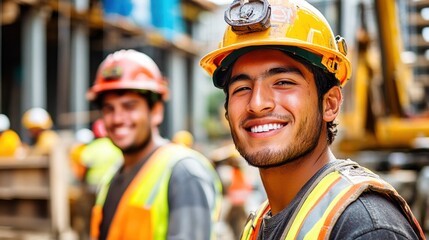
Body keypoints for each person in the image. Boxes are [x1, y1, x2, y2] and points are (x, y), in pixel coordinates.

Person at [199, 0, 425, 239]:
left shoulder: (363, 227)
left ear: (330, 104)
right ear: (227, 112)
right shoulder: (260, 223)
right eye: (242, 88)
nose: (257, 103)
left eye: (283, 82)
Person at [87, 49, 222, 240]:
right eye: (109, 109)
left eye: (129, 106)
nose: (117, 119)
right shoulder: (112, 177)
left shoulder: (184, 173)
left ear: (156, 111)